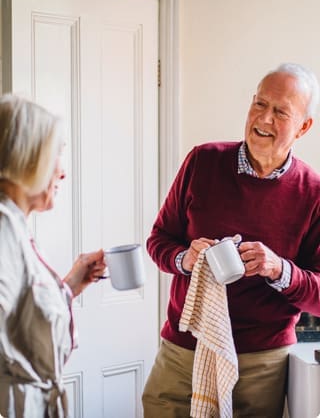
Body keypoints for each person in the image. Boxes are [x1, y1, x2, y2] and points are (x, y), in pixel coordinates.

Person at [142, 62, 320, 418]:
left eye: (280, 111)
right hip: (183, 351)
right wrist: (184, 260)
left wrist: (278, 270)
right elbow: (159, 240)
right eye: (259, 104)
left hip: (260, 363)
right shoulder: (202, 161)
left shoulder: (313, 193)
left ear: (303, 126)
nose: (264, 118)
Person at [0, 94, 106, 417]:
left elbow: (20, 321)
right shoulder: (3, 226)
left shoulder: (16, 225)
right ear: (29, 159)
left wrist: (71, 284)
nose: (62, 174)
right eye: (56, 156)